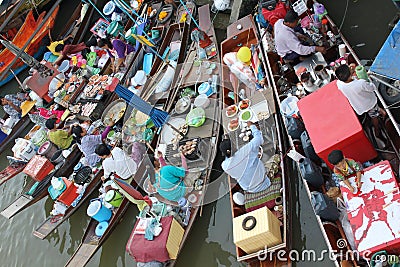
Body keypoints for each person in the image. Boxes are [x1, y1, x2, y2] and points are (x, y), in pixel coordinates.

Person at [335, 64, 386, 137]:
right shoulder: (361, 83)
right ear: (350, 75)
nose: (351, 68)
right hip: (369, 104)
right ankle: (377, 129)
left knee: (373, 110)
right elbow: (372, 87)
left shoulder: (339, 83)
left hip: (358, 104)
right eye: (350, 69)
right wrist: (366, 79)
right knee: (374, 116)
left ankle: (380, 110)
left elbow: (352, 82)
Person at [220, 121, 271, 193]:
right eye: (233, 145)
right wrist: (252, 126)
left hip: (249, 189)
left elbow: (229, 157)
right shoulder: (244, 151)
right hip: (263, 181)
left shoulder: (224, 166)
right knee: (268, 157)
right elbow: (259, 139)